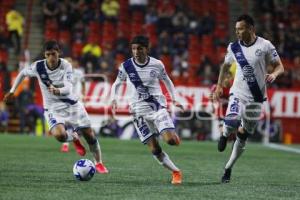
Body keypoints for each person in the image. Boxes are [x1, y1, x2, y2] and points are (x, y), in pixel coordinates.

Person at [3, 40, 108, 174]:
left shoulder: (66, 66)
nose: (51, 58)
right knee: (59, 135)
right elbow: (23, 73)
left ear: (59, 53)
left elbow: (69, 88)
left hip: (72, 105)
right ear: (44, 55)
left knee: (90, 136)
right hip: (52, 108)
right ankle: (74, 137)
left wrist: (57, 90)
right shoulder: (38, 67)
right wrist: (12, 91)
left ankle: (99, 163)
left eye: (54, 54)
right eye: (48, 55)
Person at [211, 15, 284, 183]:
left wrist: (273, 74)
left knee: (243, 136)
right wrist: (220, 85)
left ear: (251, 29)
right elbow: (225, 66)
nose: (237, 32)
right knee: (231, 121)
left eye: (241, 29)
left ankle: (228, 168)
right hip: (238, 92)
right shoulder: (233, 47)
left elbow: (280, 66)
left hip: (257, 97)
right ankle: (224, 134)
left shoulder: (265, 45)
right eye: (236, 29)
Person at [110, 35, 183, 185]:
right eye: (134, 49)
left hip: (157, 108)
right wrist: (113, 98)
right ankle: (176, 172)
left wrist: (174, 98)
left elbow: (167, 81)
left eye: (139, 48)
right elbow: (117, 83)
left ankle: (173, 137)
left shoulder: (157, 64)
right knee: (155, 149)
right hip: (137, 113)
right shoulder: (126, 66)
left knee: (169, 140)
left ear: (147, 49)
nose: (136, 52)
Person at [60, 57, 86, 153]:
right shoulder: (61, 73)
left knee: (74, 122)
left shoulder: (79, 73)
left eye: (70, 62)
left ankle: (74, 139)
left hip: (75, 100)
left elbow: (83, 83)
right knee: (65, 122)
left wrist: (84, 94)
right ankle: (66, 144)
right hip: (64, 100)